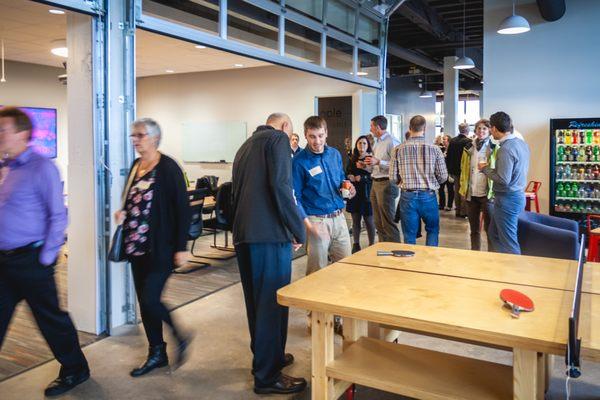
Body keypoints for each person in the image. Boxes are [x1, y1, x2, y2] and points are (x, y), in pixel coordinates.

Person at [0, 106, 90, 397]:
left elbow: (58, 215)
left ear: (23, 133)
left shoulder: (42, 168)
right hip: (4, 261)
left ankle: (75, 368)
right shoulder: (5, 168)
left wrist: (46, 257)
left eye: (3, 130)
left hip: (31, 260)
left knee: (51, 320)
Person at [232, 113, 307, 395]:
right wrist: (297, 229)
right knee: (271, 305)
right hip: (268, 236)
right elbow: (281, 187)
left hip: (244, 235)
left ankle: (269, 358)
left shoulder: (245, 145)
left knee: (257, 304)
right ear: (286, 127)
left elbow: (235, 194)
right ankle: (267, 377)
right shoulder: (277, 140)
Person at [114, 118, 191, 377]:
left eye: (140, 135)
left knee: (150, 298)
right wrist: (122, 213)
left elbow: (183, 210)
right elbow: (131, 199)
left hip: (162, 248)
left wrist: (181, 247)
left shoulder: (169, 168)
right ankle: (156, 352)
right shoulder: (136, 166)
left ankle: (181, 336)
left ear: (155, 138)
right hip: (136, 246)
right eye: (133, 135)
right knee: (145, 304)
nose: (135, 140)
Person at [293, 116, 355, 276]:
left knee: (346, 267)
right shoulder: (299, 162)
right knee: (317, 272)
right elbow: (295, 197)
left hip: (340, 218)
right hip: (316, 220)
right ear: (305, 135)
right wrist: (309, 225)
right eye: (312, 136)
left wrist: (348, 186)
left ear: (326, 133)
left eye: (320, 135)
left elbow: (341, 178)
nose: (317, 141)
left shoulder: (334, 154)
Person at [390, 115, 448, 246]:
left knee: (409, 235)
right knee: (432, 230)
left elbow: (393, 177)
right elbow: (443, 176)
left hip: (407, 195)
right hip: (428, 195)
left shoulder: (398, 149)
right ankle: (430, 262)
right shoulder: (435, 149)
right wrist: (432, 182)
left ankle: (411, 264)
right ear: (425, 128)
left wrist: (402, 182)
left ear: (410, 128)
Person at [479, 112, 530, 254]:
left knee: (509, 242)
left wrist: (485, 169)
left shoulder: (506, 149)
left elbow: (503, 179)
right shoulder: (521, 144)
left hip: (507, 199)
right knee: (494, 235)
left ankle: (515, 274)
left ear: (494, 129)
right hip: (516, 196)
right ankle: (501, 268)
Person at [459, 119, 497, 251]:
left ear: (490, 131)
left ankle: (492, 256)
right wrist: (463, 188)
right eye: (479, 128)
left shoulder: (494, 148)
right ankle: (475, 254)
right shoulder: (468, 148)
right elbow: (463, 170)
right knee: (474, 230)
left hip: (487, 194)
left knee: (490, 229)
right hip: (472, 193)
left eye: (484, 129)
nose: (481, 131)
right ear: (475, 130)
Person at [365, 115, 400, 242]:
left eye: (371, 126)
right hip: (375, 182)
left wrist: (379, 162)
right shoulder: (377, 142)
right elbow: (375, 163)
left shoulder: (392, 141)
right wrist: (366, 165)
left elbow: (398, 164)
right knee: (378, 221)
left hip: (386, 183)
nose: (370, 129)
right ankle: (382, 248)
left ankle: (394, 250)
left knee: (387, 221)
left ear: (378, 127)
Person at [346, 135, 375, 253]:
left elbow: (374, 176)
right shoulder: (352, 159)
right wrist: (349, 176)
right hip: (354, 193)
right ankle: (356, 244)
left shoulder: (371, 159)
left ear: (368, 145)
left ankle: (372, 244)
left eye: (364, 143)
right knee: (355, 220)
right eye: (359, 143)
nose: (361, 146)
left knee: (369, 221)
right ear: (356, 145)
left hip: (367, 193)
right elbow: (347, 172)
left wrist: (362, 177)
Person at [446, 123, 471, 218]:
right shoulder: (468, 141)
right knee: (464, 190)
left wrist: (449, 169)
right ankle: (463, 212)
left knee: (457, 190)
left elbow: (449, 156)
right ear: (467, 130)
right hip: (464, 169)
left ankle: (458, 210)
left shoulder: (452, 141)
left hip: (454, 170)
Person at [435, 135, 453, 211]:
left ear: (449, 140)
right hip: (442, 172)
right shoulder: (441, 148)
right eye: (443, 139)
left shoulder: (452, 149)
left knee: (450, 189)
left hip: (449, 172)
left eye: (444, 139)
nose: (443, 140)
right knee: (441, 189)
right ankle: (442, 204)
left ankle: (449, 205)